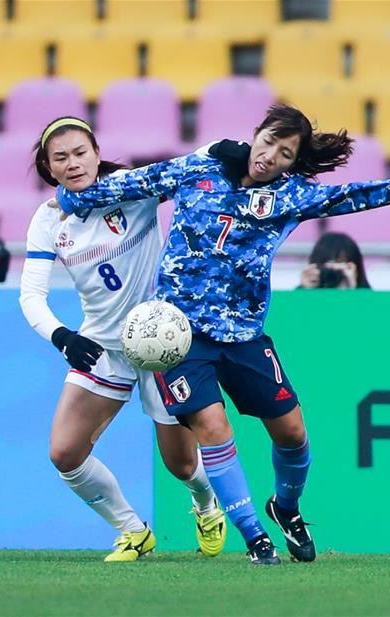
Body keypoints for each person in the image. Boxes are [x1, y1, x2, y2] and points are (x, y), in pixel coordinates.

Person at [54, 103, 390, 565]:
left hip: (243, 335)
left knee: (292, 433)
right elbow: (133, 183)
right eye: (269, 142)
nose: (271, 155)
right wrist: (71, 198)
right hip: (179, 335)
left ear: (293, 161)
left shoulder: (290, 196)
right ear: (255, 134)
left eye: (285, 153)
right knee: (212, 428)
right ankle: (255, 536)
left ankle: (286, 508)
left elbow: (359, 195)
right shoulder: (200, 168)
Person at [19, 117, 227, 562]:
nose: (73, 163)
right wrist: (63, 337)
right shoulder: (49, 218)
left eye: (80, 152)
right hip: (102, 346)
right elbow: (31, 296)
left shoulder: (134, 188)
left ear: (97, 153)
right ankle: (133, 531)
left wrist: (222, 148)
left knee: (181, 465)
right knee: (65, 453)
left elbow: (188, 166)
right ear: (49, 167)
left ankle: (206, 504)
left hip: (160, 344)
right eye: (61, 158)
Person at [299, 232, 371, 289]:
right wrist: (304, 293)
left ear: (357, 272)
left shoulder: (371, 299)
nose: (332, 276)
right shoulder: (300, 295)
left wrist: (352, 293)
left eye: (339, 270)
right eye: (326, 269)